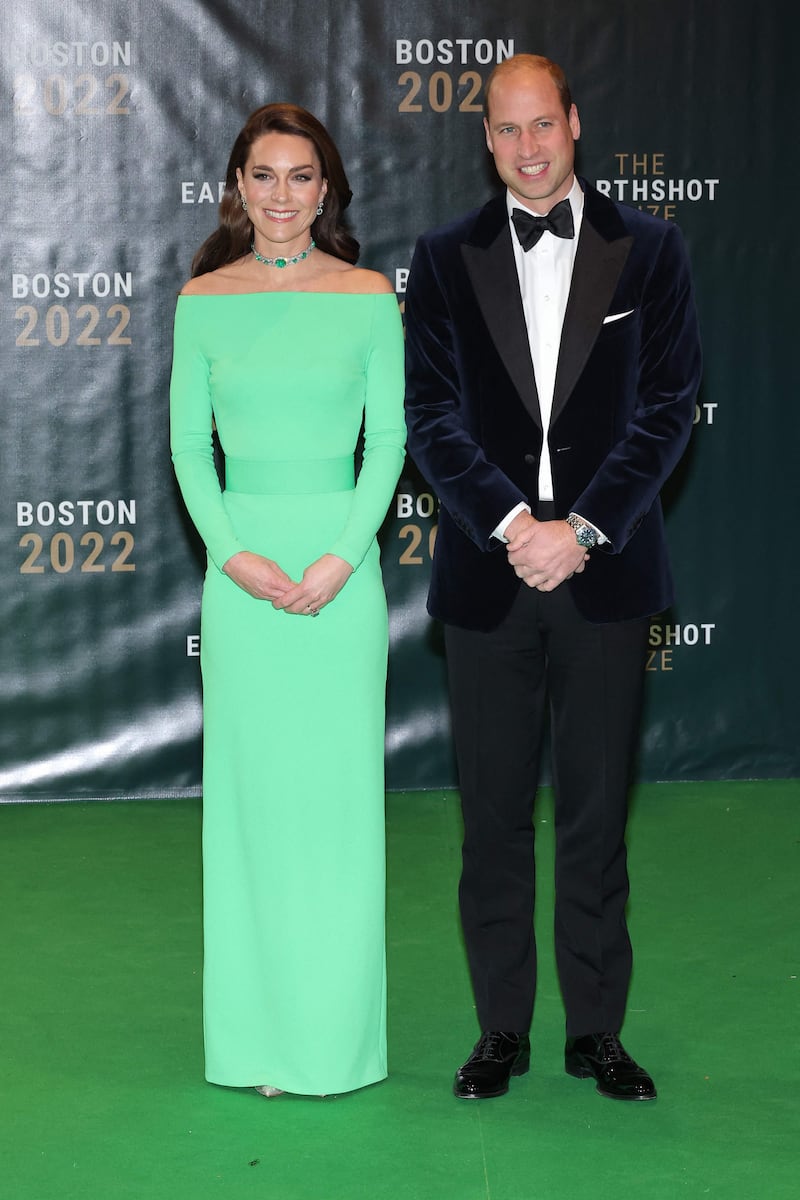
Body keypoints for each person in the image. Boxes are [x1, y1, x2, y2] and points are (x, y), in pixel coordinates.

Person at [404, 54, 701, 1102]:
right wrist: (508, 525)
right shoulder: (443, 258)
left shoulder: (649, 249)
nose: (527, 149)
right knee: (488, 818)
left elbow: (668, 407)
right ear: (482, 139)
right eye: (505, 130)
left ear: (573, 123)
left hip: (602, 572)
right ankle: (499, 1031)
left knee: (590, 814)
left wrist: (576, 528)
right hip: (489, 582)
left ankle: (594, 1032)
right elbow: (430, 418)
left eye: (543, 125)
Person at [170, 103, 405, 1098]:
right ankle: (259, 1041)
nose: (280, 196)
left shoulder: (366, 297)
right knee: (253, 812)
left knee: (336, 810)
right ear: (237, 186)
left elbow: (387, 444)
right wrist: (232, 557)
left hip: (339, 586)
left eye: (300, 176)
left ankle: (332, 1041)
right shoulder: (201, 299)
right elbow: (190, 448)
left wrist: (343, 559)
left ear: (327, 189)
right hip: (243, 587)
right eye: (262, 175)